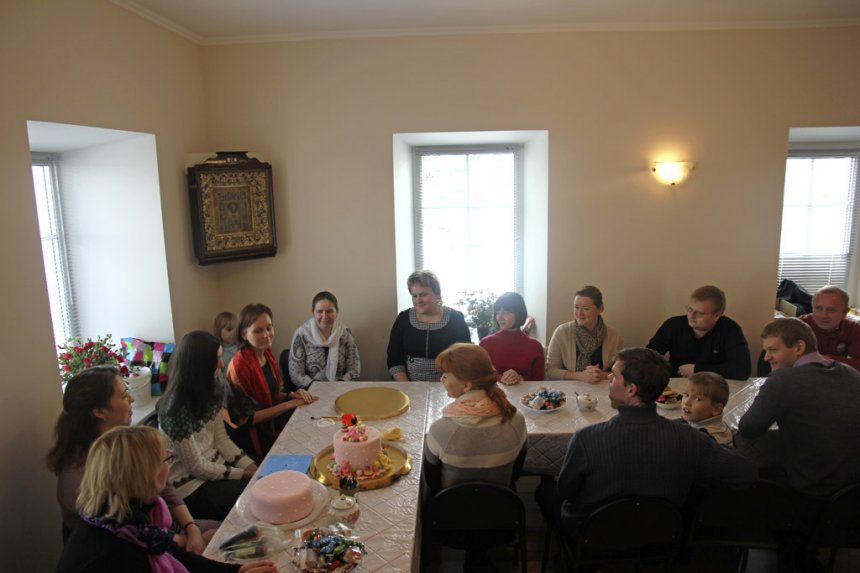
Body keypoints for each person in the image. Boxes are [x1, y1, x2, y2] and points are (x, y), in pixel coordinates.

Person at [537, 347, 755, 535]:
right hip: (662, 534)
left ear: (631, 390)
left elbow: (566, 490)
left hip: (595, 535)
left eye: (614, 376)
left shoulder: (587, 438)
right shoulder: (691, 438)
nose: (609, 378)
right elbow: (746, 472)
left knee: (545, 491)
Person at [55, 425, 278, 573]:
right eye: (166, 459)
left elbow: (174, 553)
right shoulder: (114, 552)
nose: (169, 465)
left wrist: (236, 571)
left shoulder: (130, 515)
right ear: (147, 474)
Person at [46, 366, 212, 554]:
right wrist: (187, 541)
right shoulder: (81, 475)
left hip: (158, 531)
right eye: (125, 395)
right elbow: (132, 535)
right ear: (99, 411)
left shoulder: (125, 443)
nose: (132, 399)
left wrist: (191, 527)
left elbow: (164, 487)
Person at [738, 318, 860, 497]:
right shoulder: (850, 372)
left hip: (813, 487)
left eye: (773, 350)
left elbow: (748, 428)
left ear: (799, 347)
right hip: (853, 488)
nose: (766, 357)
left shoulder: (783, 380)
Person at [158, 331, 257, 521]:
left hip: (215, 467)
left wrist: (249, 466)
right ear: (200, 366)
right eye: (217, 359)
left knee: (262, 471)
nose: (221, 364)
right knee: (253, 499)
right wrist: (242, 474)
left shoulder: (212, 387)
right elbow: (196, 466)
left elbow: (221, 440)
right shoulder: (174, 410)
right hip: (190, 486)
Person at [423, 343, 527, 495]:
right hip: (502, 504)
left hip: (450, 506)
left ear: (467, 385)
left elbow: (432, 482)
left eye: (445, 376)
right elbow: (516, 474)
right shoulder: (516, 420)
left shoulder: (440, 430)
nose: (441, 380)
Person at [226, 304, 317, 460]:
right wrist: (288, 405)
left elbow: (272, 395)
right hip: (249, 439)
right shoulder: (239, 366)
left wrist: (290, 396)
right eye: (258, 331)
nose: (266, 335)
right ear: (243, 334)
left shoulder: (266, 354)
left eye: (269, 328)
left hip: (271, 424)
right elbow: (246, 419)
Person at [647, 285, 751, 379]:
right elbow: (647, 358)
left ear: (716, 315)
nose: (691, 316)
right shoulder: (673, 325)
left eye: (699, 313)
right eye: (690, 309)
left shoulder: (730, 330)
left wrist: (697, 369)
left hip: (714, 386)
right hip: (677, 384)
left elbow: (742, 370)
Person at [387, 270, 471, 381]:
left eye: (423, 295)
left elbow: (464, 359)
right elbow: (394, 358)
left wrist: (449, 385)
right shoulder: (403, 318)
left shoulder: (456, 318)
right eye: (414, 296)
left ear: (437, 294)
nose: (418, 300)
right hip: (408, 385)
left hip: (448, 385)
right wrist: (407, 387)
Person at [545, 286, 623, 383]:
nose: (579, 314)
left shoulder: (614, 336)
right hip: (568, 390)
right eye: (576, 307)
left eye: (586, 309)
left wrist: (602, 375)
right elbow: (550, 371)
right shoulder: (562, 332)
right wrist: (580, 376)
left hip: (603, 388)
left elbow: (622, 372)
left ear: (600, 309)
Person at [288, 291, 360, 387]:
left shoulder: (345, 333)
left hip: (340, 388)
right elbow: (296, 374)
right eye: (320, 311)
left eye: (329, 311)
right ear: (313, 312)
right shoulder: (302, 335)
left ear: (337, 312)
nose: (325, 316)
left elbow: (354, 369)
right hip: (311, 391)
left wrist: (340, 385)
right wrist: (317, 387)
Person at [479, 292, 544, 383]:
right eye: (497, 312)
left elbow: (539, 381)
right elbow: (479, 377)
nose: (499, 317)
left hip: (526, 392)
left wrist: (521, 379)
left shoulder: (535, 346)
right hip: (493, 391)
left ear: (518, 314)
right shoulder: (486, 344)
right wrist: (500, 378)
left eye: (505, 312)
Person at [798, 285, 860, 370]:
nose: (823, 316)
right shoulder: (799, 326)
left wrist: (828, 359)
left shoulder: (853, 328)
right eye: (818, 308)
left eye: (831, 310)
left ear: (845, 312)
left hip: (837, 375)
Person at [679, 371, 733, 446]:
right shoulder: (699, 419)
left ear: (716, 409)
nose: (686, 402)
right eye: (686, 395)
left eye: (697, 399)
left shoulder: (709, 440)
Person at [214, 311, 239, 376]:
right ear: (218, 330)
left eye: (235, 330)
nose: (233, 333)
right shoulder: (217, 350)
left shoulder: (240, 347)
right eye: (229, 330)